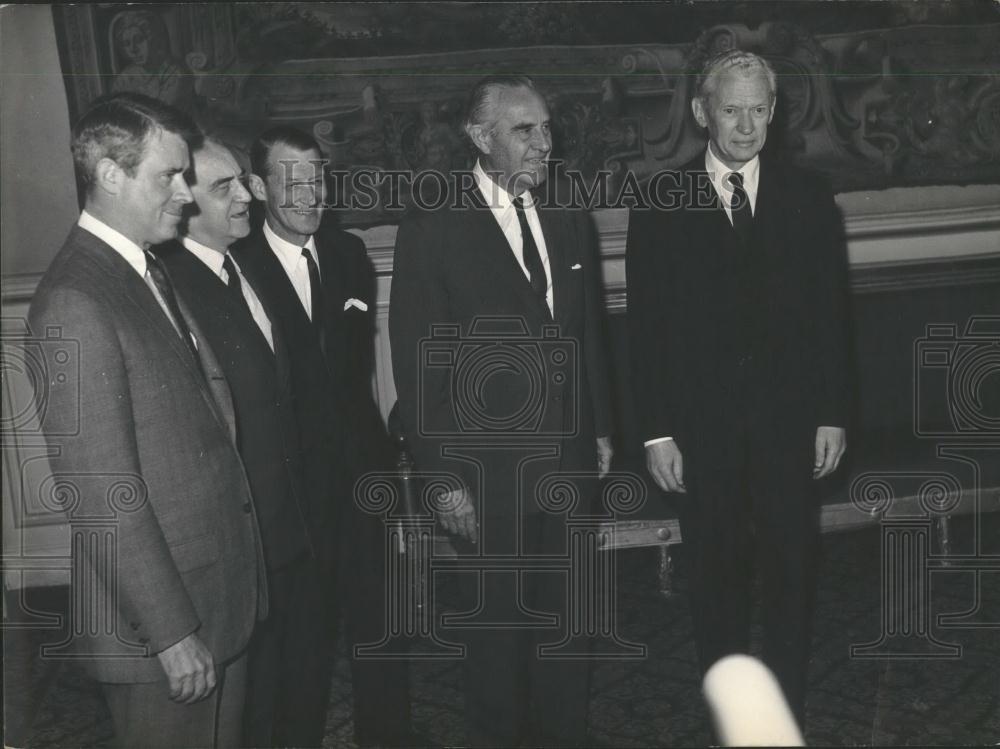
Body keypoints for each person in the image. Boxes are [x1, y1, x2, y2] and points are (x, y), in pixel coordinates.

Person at [27, 93, 265, 747]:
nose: (187, 195)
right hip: (160, 633)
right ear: (110, 172)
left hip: (211, 603)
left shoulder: (143, 268)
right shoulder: (76, 298)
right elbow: (100, 491)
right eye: (171, 175)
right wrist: (172, 630)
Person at [626, 50, 851, 720]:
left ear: (774, 113)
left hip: (788, 427)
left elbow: (831, 315)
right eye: (732, 109)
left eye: (759, 109)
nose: (747, 124)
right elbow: (646, 326)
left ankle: (784, 712)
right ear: (703, 112)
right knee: (714, 580)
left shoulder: (808, 196)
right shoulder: (662, 200)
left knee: (791, 576)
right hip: (700, 432)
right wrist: (657, 428)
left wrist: (833, 413)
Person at [389, 74, 613, 747]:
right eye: (525, 130)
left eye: (546, 129)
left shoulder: (569, 212)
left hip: (567, 464)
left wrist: (601, 425)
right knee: (497, 646)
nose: (544, 144)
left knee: (566, 636)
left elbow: (588, 331)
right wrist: (443, 477)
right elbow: (419, 361)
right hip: (483, 478)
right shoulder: (433, 224)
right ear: (480, 137)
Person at [233, 126, 416, 748]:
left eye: (317, 180)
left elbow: (355, 376)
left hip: (364, 486)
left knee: (383, 643)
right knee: (300, 656)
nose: (310, 196)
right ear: (258, 187)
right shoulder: (235, 269)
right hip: (290, 500)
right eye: (291, 182)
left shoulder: (349, 255)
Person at [151, 138, 316, 747]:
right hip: (237, 550)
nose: (248, 195)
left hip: (286, 535)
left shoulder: (246, 265)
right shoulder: (170, 286)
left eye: (243, 182)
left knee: (290, 700)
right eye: (225, 188)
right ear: (183, 202)